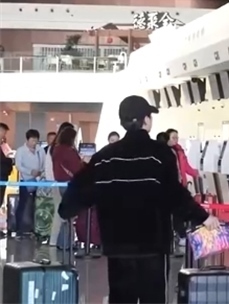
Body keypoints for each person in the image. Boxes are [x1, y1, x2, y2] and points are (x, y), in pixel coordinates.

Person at [58, 95, 218, 303]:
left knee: (121, 298)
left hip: (118, 246)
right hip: (152, 246)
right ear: (146, 120)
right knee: (153, 298)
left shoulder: (105, 157)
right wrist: (203, 217)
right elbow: (174, 194)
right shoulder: (160, 154)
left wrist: (66, 210)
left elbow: (80, 188)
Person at [52, 127, 100, 250]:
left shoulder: (57, 149)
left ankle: (63, 243)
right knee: (70, 215)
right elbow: (77, 169)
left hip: (60, 183)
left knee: (65, 215)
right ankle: (66, 243)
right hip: (70, 184)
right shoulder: (69, 151)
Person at [167, 128, 199, 248]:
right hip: (171, 186)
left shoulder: (180, 151)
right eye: (173, 137)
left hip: (181, 185)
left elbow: (186, 167)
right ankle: (180, 235)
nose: (175, 140)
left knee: (180, 211)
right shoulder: (165, 151)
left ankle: (181, 235)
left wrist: (197, 173)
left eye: (177, 137)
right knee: (177, 212)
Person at [14, 129, 44, 239]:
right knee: (23, 204)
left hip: (38, 180)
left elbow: (44, 164)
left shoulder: (40, 150)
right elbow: (18, 166)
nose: (34, 143)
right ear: (27, 140)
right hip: (25, 180)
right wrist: (30, 172)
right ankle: (19, 229)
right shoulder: (21, 150)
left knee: (37, 205)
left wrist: (40, 173)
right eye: (32, 140)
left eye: (36, 140)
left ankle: (35, 229)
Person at [0, 123, 12, 238]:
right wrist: (8, 161)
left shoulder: (3, 145)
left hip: (3, 177)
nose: (4, 134)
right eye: (3, 132)